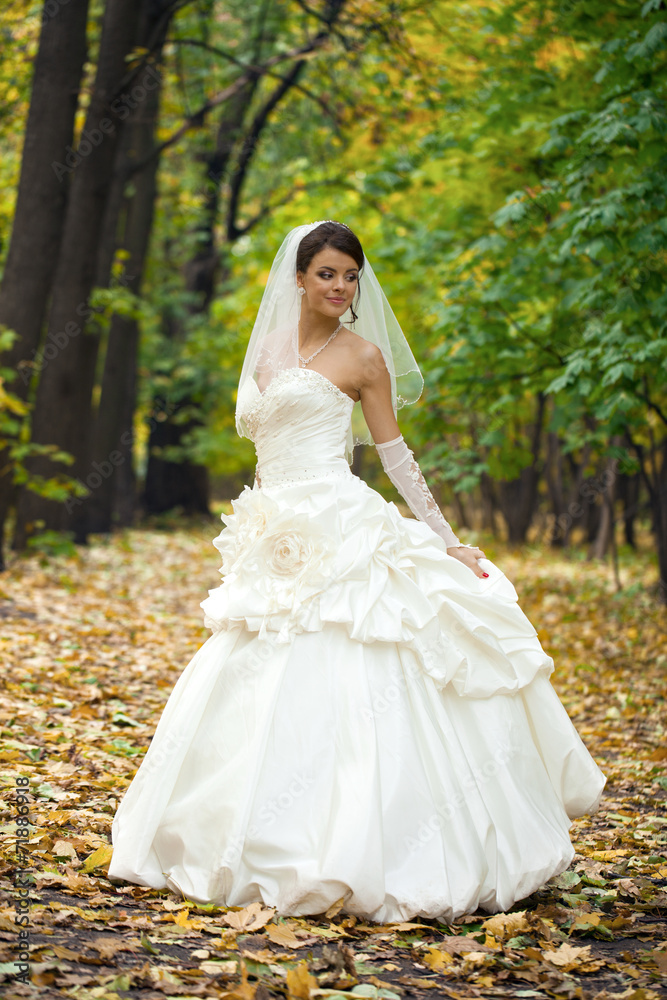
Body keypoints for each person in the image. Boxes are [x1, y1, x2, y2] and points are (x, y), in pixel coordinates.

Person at [108, 220, 605, 922]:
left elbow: (395, 457)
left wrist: (447, 540)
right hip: (275, 529)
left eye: (350, 276)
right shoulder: (267, 351)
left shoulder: (364, 357)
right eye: (327, 275)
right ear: (299, 280)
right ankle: (242, 835)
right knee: (252, 671)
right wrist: (260, 526)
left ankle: (370, 845)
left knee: (359, 655)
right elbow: (265, 447)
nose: (340, 287)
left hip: (342, 524)